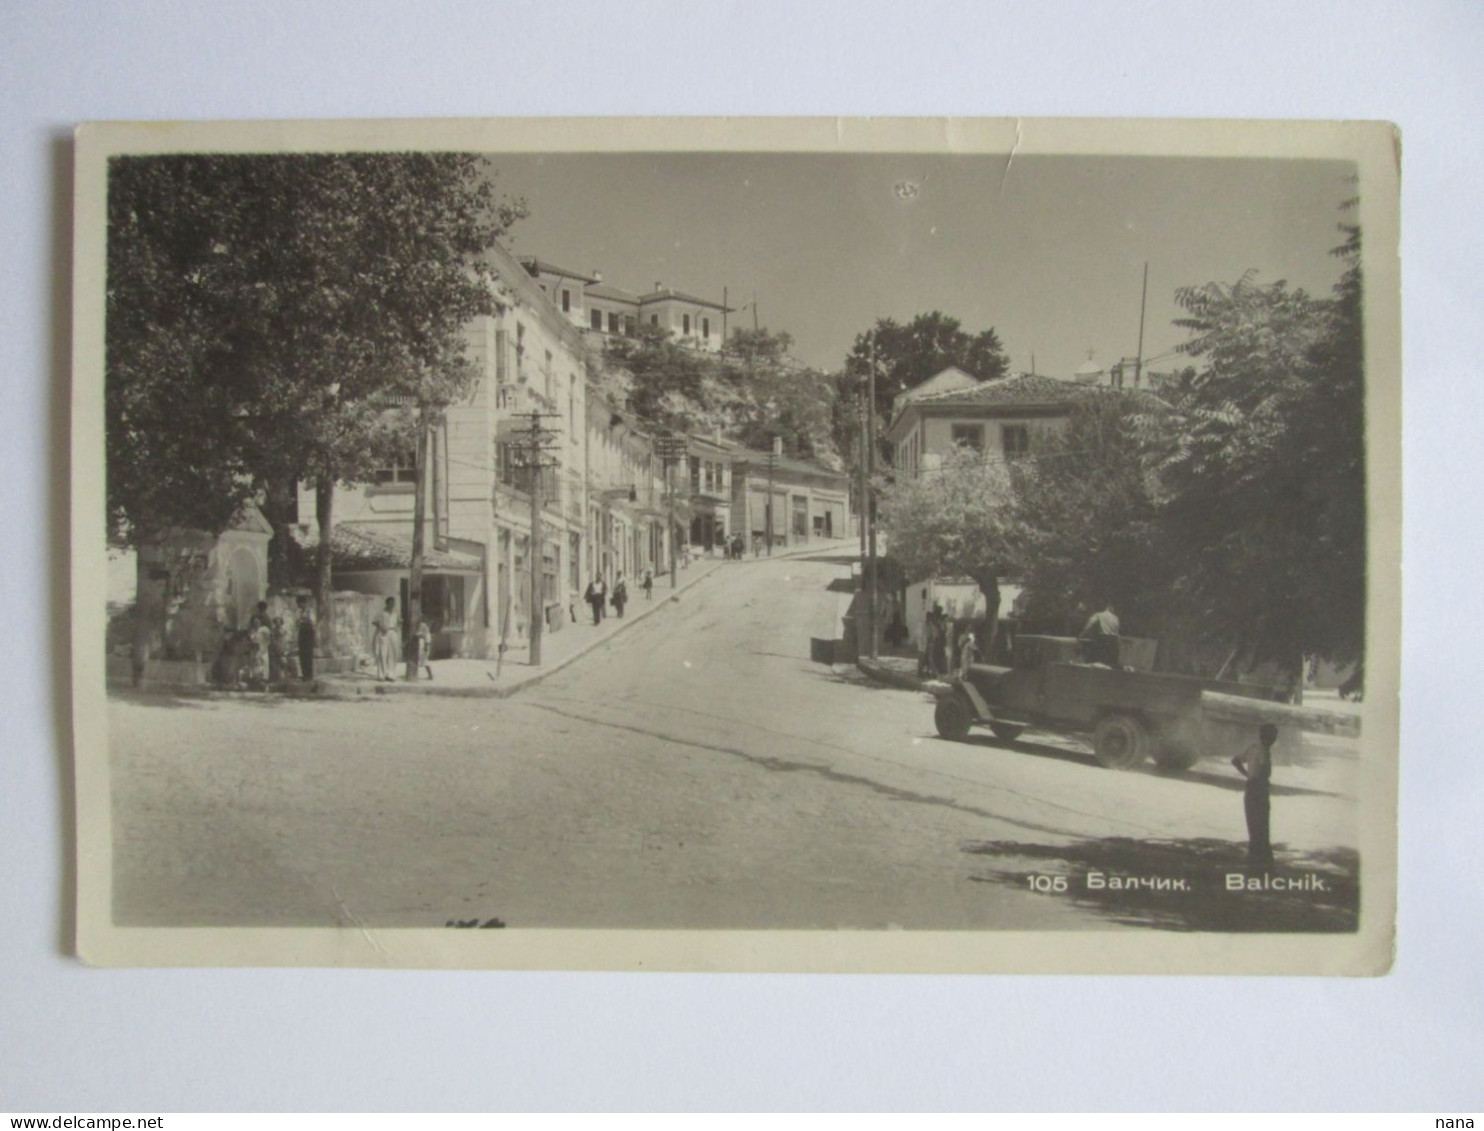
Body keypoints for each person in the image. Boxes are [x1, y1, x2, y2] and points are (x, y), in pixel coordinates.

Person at [1232, 723, 1278, 868]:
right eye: (1272, 736)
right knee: (1262, 826)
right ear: (1269, 737)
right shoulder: (1264, 752)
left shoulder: (1253, 748)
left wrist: (1248, 775)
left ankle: (1254, 862)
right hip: (1260, 790)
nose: (1273, 740)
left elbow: (1235, 760)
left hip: (1250, 788)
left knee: (1253, 825)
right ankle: (1262, 864)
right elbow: (1263, 769)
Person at [1079, 603, 1121, 669]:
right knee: (1111, 665)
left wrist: (1082, 635)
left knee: (1098, 663)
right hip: (1114, 641)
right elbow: (1117, 631)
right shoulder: (1116, 618)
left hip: (1103, 639)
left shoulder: (1098, 615)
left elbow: (1089, 626)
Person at [372, 596, 399, 681]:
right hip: (383, 633)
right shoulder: (381, 612)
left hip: (392, 632)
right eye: (390, 603)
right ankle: (381, 674)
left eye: (393, 603)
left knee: (392, 654)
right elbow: (374, 621)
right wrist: (380, 625)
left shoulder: (395, 613)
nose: (392, 605)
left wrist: (396, 627)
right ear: (387, 603)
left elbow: (398, 622)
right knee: (382, 653)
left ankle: (391, 674)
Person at [295, 595, 315, 680]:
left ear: (304, 603)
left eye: (300, 604)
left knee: (308, 654)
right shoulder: (299, 612)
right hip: (302, 633)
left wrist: (303, 621)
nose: (299, 606)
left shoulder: (310, 611)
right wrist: (301, 621)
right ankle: (304, 674)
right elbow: (297, 623)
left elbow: (312, 622)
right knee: (302, 654)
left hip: (308, 633)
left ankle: (309, 674)